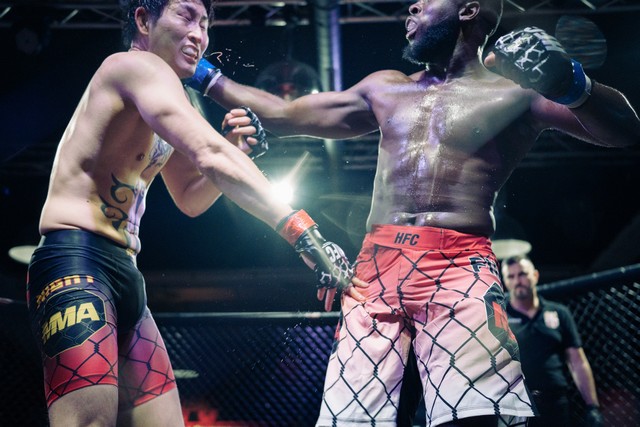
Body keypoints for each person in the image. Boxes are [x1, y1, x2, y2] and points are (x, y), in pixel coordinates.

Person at [186, 0, 640, 425]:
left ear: (469, 9)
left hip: (459, 264)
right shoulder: (386, 88)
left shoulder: (515, 93)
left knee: (476, 417)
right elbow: (282, 113)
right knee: (353, 421)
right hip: (374, 270)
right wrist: (194, 70)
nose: (413, 5)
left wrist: (573, 85)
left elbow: (625, 131)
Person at [25, 1, 365, 426]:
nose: (198, 34)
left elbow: (190, 197)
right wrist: (303, 233)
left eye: (204, 24)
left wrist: (236, 151)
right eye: (185, 16)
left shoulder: (172, 94)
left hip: (125, 269)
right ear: (143, 20)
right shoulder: (132, 67)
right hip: (76, 261)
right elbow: (209, 152)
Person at [502, 255, 604, 427]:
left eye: (522, 274)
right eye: (511, 276)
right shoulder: (499, 316)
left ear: (535, 275)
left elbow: (577, 361)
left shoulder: (559, 313)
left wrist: (592, 406)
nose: (517, 281)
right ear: (505, 281)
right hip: (515, 404)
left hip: (556, 402)